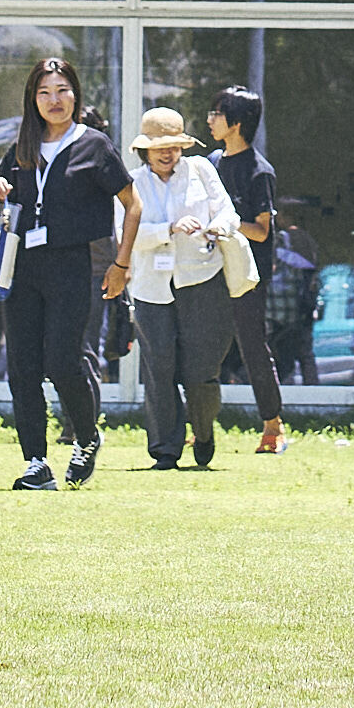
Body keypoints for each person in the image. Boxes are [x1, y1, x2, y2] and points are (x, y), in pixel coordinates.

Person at [0, 51, 123, 488]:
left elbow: (133, 203)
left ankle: (86, 438)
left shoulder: (93, 144)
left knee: (64, 362)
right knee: (23, 367)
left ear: (75, 95)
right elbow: (1, 197)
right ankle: (36, 461)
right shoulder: (22, 147)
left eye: (62, 91)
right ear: (32, 99)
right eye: (44, 92)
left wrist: (122, 264)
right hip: (23, 267)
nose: (54, 100)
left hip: (71, 264)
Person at [113, 101, 251, 469]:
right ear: (145, 150)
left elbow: (228, 212)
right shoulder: (132, 182)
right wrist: (168, 229)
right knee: (158, 369)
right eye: (160, 148)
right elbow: (124, 236)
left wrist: (218, 227)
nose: (168, 154)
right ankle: (165, 450)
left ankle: (203, 431)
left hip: (202, 280)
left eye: (174, 147)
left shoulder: (201, 169)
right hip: (151, 288)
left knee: (202, 371)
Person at [199, 86, 292, 456]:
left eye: (216, 113)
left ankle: (273, 424)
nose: (210, 120)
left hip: (248, 275)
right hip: (211, 267)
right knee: (204, 347)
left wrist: (227, 223)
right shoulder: (212, 162)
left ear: (236, 123)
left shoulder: (259, 171)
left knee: (252, 345)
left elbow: (262, 230)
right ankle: (200, 427)